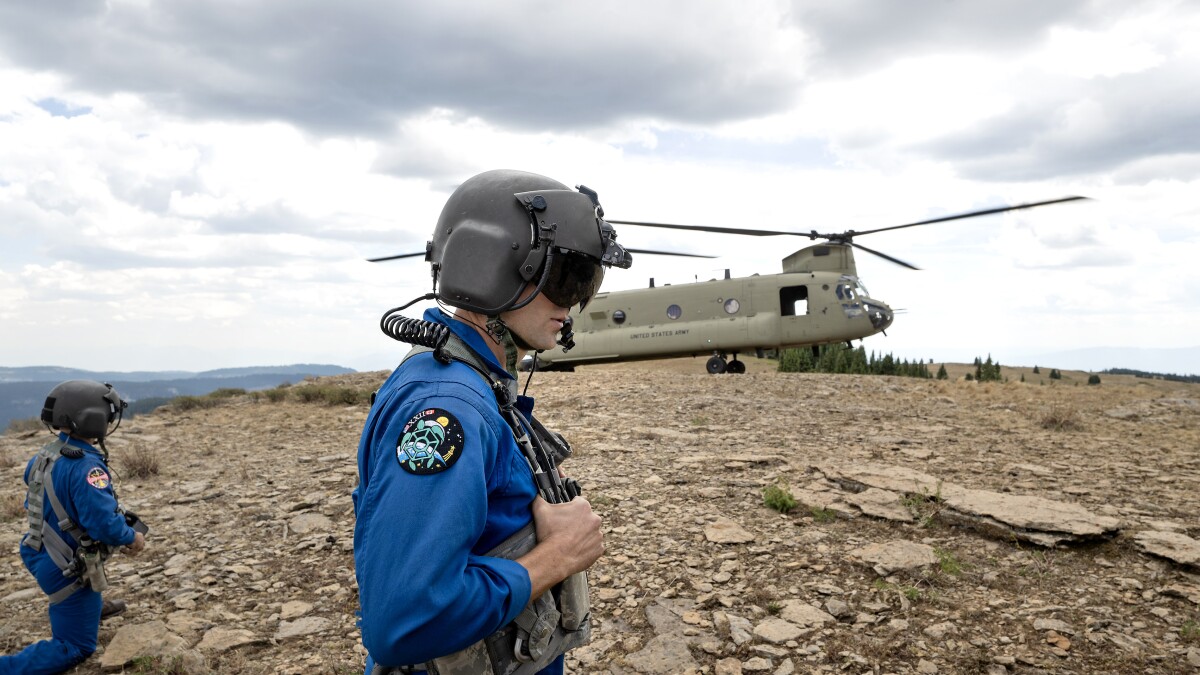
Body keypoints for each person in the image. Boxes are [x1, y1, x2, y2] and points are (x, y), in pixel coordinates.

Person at [354, 169, 632, 675]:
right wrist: (558, 557)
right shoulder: (447, 407)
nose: (572, 306)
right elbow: (403, 621)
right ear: (492, 267)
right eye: (567, 279)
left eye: (585, 285)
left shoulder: (478, 382)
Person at [1, 380, 148, 675]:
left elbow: (39, 495)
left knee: (79, 592)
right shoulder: (87, 467)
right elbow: (104, 525)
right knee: (75, 646)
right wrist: (132, 537)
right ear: (93, 419)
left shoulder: (43, 455)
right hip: (62, 564)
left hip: (37, 548)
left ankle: (87, 609)